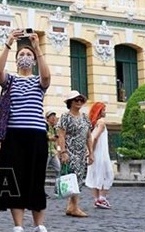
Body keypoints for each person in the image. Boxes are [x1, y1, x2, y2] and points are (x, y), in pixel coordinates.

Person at [0, 29, 53, 232]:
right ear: (17, 61)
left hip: (37, 136)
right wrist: (9, 43)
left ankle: (39, 227)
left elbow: (47, 77)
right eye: (22, 55)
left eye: (28, 56)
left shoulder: (38, 80)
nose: (25, 58)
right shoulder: (10, 80)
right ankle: (18, 228)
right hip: (14, 137)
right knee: (15, 181)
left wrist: (36, 47)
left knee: (36, 181)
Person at [56, 90, 93, 218]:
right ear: (70, 102)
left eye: (80, 100)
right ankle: (74, 207)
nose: (78, 102)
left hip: (82, 153)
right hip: (70, 151)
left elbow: (89, 137)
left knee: (78, 178)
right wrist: (63, 151)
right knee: (74, 178)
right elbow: (61, 135)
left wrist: (91, 153)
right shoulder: (65, 117)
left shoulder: (85, 118)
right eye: (75, 100)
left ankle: (71, 206)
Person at [85, 102, 114, 209]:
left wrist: (90, 150)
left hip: (95, 151)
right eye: (104, 109)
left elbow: (91, 137)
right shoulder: (101, 122)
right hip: (100, 152)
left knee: (95, 174)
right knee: (107, 174)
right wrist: (91, 151)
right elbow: (95, 137)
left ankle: (96, 199)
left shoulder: (94, 123)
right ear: (100, 111)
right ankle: (102, 198)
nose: (105, 111)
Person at [45, 111, 61, 197]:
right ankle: (40, 191)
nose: (54, 118)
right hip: (45, 152)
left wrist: (58, 151)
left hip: (53, 153)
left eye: (54, 116)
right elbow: (47, 137)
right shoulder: (45, 126)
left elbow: (56, 142)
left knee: (58, 169)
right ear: (47, 118)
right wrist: (53, 137)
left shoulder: (54, 128)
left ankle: (57, 190)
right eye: (52, 117)